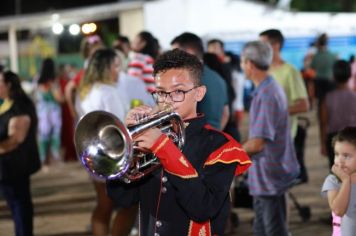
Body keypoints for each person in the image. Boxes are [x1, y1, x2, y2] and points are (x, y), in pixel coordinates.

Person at [107, 49, 251, 236]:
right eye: (161, 92)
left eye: (178, 92)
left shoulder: (221, 146)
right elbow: (122, 198)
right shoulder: (149, 140)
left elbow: (203, 209)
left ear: (199, 93)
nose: (167, 101)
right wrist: (125, 145)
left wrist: (164, 149)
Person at [241, 41, 300, 236]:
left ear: (249, 64)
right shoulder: (268, 87)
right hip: (266, 175)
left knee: (273, 230)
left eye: (242, 61)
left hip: (270, 177)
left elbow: (258, 143)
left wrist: (230, 155)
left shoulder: (266, 94)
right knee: (262, 228)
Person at [76, 48, 137, 236]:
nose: (119, 70)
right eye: (116, 65)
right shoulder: (109, 92)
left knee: (103, 204)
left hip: (93, 153)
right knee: (129, 205)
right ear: (106, 68)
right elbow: (122, 124)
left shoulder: (85, 91)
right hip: (113, 154)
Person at [259, 29, 309, 183]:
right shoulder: (262, 72)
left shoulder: (290, 71)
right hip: (265, 135)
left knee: (280, 185)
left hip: (283, 137)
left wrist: (278, 111)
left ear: (276, 45)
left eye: (262, 45)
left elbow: (304, 105)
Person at [0, 71, 41, 236]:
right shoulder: (7, 104)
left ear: (9, 84)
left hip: (15, 166)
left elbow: (15, 139)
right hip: (8, 167)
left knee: (20, 207)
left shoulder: (19, 107)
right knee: (17, 205)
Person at [171, 32, 230, 130]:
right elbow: (226, 113)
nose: (172, 59)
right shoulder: (218, 78)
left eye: (175, 53)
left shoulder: (187, 79)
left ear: (189, 52)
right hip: (214, 139)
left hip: (192, 139)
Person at [320, 60, 356, 169]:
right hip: (353, 137)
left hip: (334, 140)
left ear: (334, 76)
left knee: (336, 173)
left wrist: (323, 144)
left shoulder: (327, 98)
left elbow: (323, 123)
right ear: (350, 75)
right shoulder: (354, 97)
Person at [321, 127, 356, 236]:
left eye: (346, 156)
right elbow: (338, 210)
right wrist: (346, 181)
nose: (339, 160)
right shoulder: (333, 181)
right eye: (337, 154)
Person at [34, 58, 64, 168]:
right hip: (53, 111)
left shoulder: (37, 80)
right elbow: (59, 98)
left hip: (42, 111)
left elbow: (36, 97)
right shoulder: (53, 81)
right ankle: (54, 157)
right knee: (55, 134)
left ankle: (43, 158)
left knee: (43, 134)